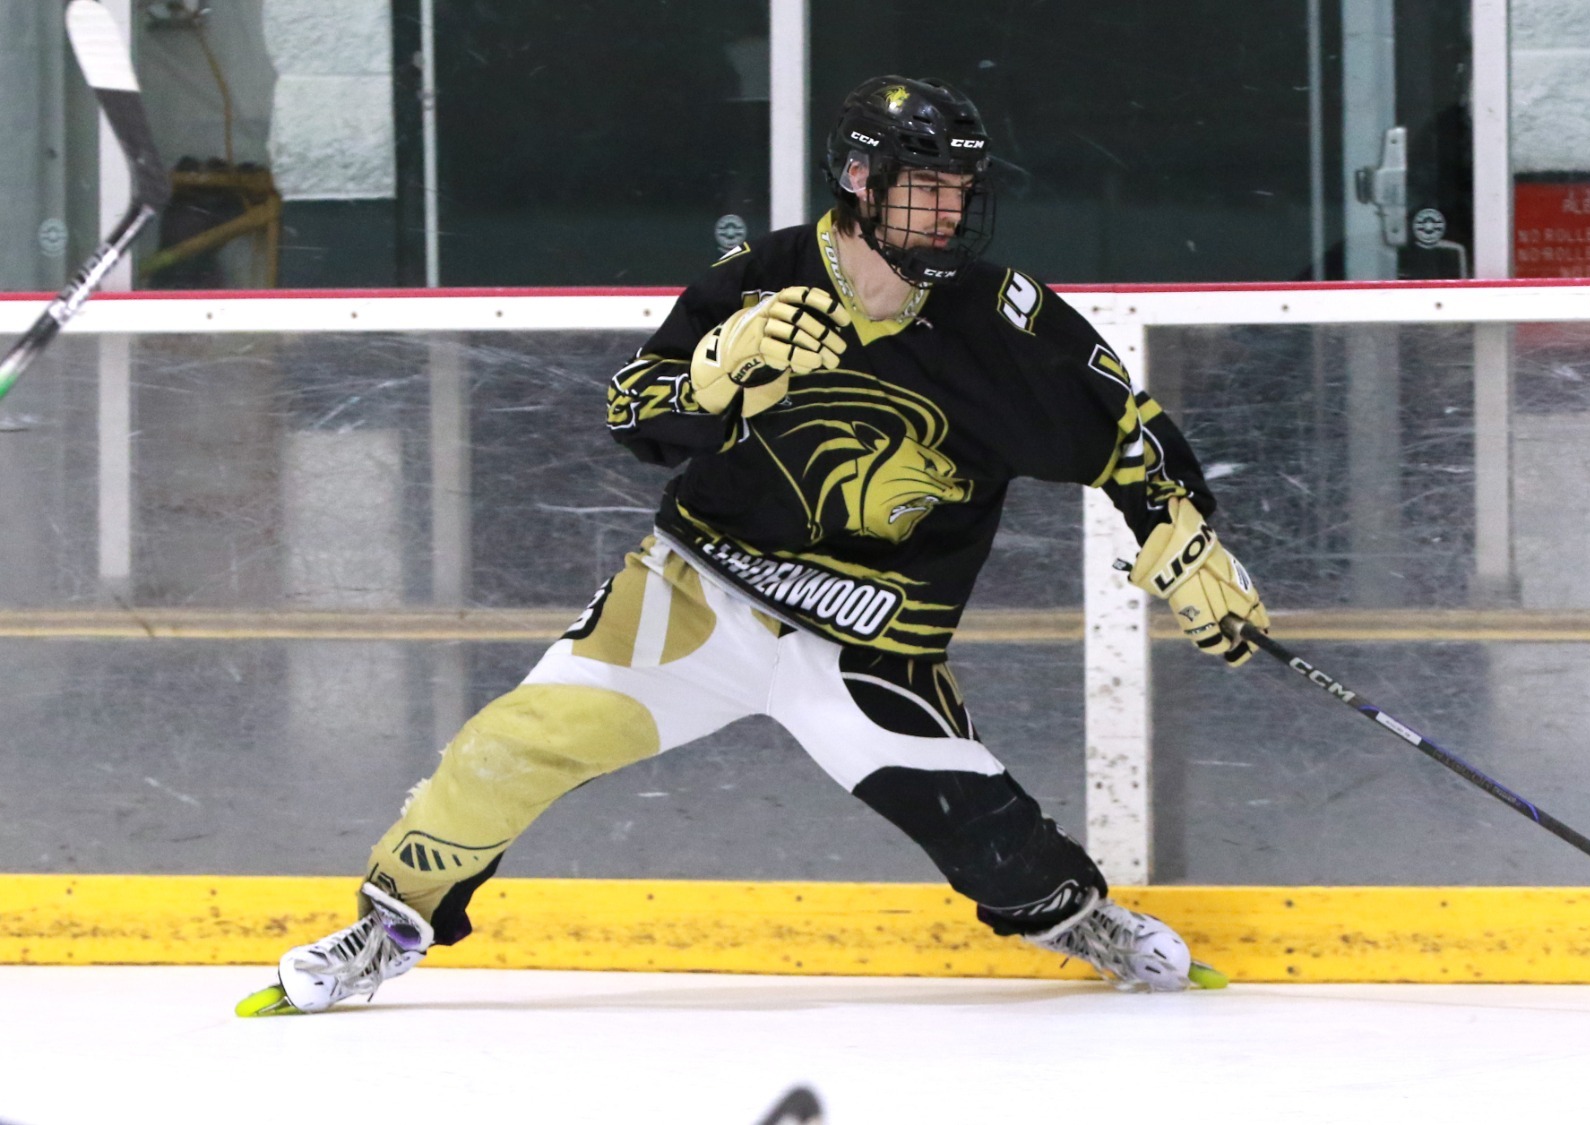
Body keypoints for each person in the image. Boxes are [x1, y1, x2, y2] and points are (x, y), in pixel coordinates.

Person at [237, 75, 1271, 1017]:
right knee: (506, 749)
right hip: (692, 595)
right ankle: (389, 926)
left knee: (977, 822)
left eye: (961, 188)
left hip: (869, 640)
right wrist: (711, 378)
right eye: (925, 186)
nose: (949, 209)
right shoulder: (758, 276)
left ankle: (1073, 920)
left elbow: (1128, 436)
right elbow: (634, 419)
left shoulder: (1005, 322)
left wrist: (1183, 538)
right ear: (859, 179)